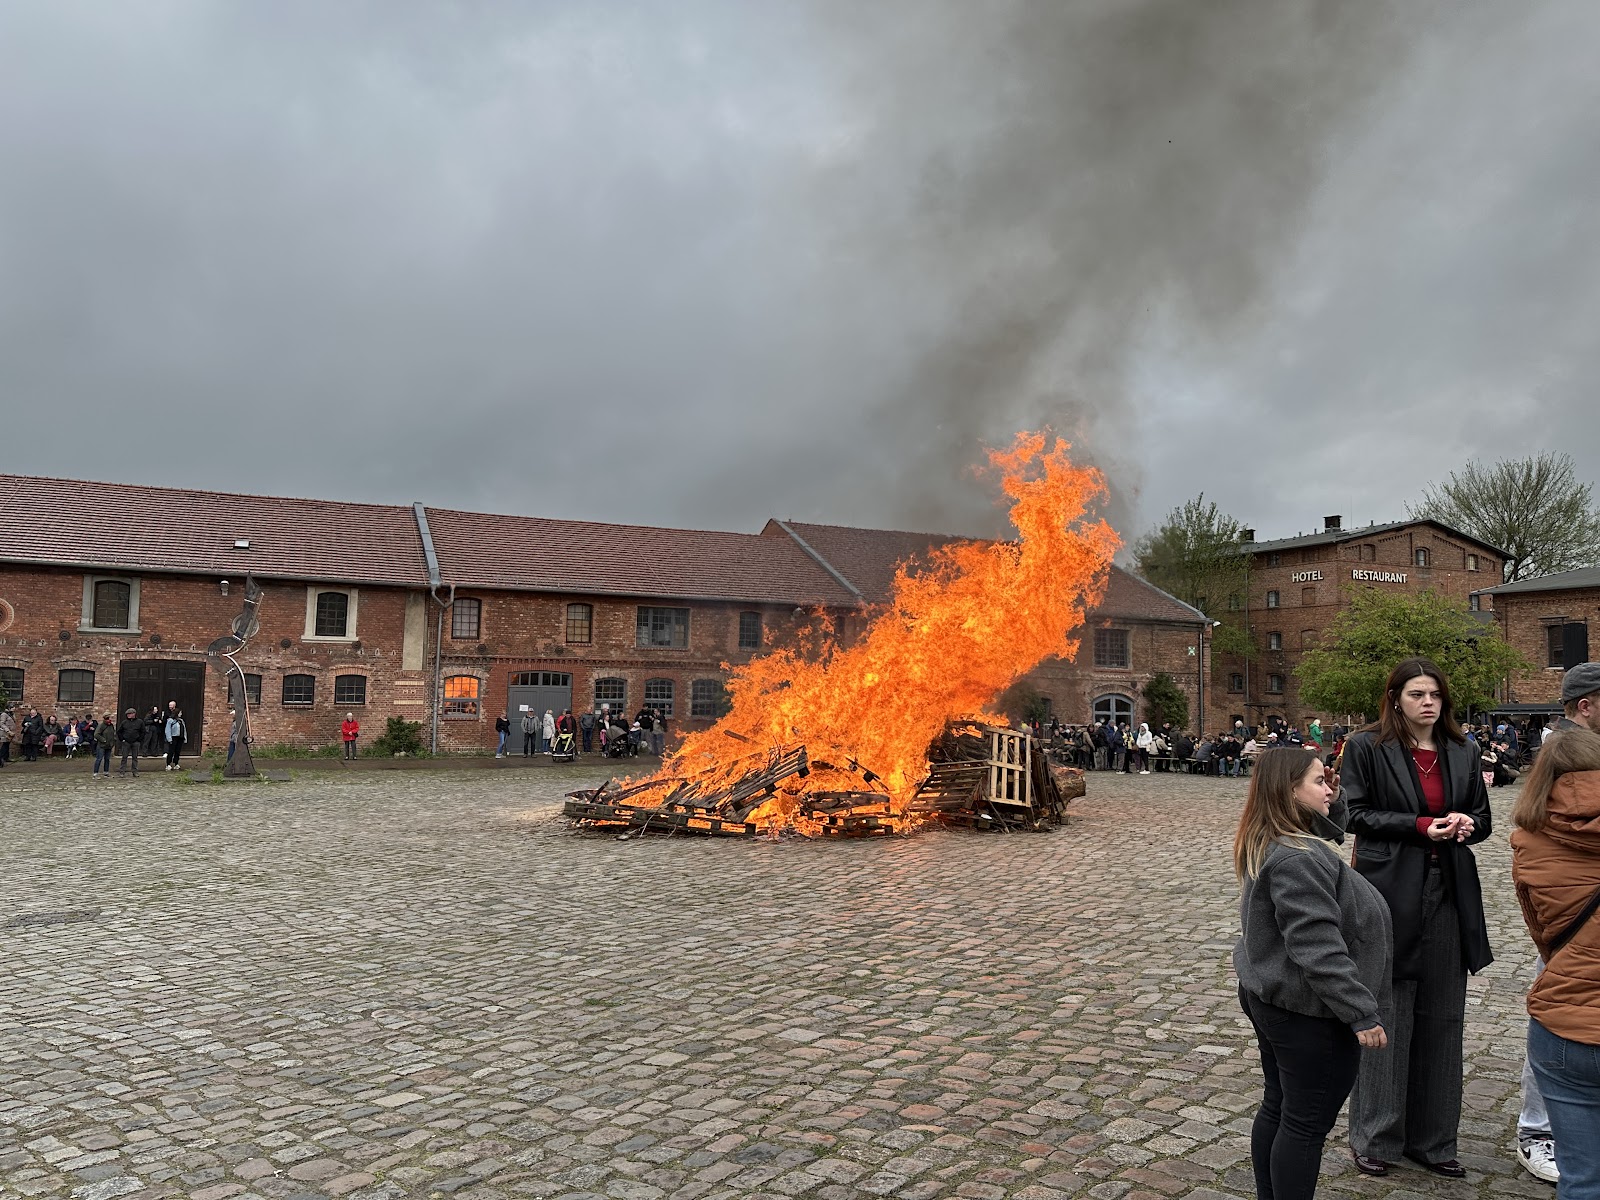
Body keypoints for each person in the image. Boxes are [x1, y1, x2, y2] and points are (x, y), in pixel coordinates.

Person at [1343, 657, 1493, 1180]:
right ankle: (1376, 1135)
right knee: (1389, 1011)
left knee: (1443, 1015)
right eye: (1416, 694)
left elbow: (1485, 820)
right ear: (1395, 698)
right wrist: (1419, 825)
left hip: (1450, 890)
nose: (1428, 703)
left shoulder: (1462, 750)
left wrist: (1465, 823)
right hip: (1389, 890)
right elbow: (1353, 815)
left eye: (1434, 695)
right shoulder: (1367, 747)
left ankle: (1433, 1140)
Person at [1234, 747, 1391, 1200]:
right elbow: (1316, 945)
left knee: (1281, 1107)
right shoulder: (1295, 858)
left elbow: (1332, 832)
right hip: (1307, 1010)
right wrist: (1361, 1011)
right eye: (1320, 781)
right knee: (1304, 1124)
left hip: (1278, 996)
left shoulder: (1275, 837)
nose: (1330, 788)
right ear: (1289, 791)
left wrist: (1330, 800)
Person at [1509, 661, 1600, 1184]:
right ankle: (1537, 1130)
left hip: (1564, 978)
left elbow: (1535, 919)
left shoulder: (1529, 832)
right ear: (1584, 706)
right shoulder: (1560, 756)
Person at [116, 708, 145, 775]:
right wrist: (122, 739)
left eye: (129, 714)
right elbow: (119, 732)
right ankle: (122, 771)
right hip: (126, 742)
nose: (128, 715)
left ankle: (134, 771)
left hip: (136, 742)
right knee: (124, 757)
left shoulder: (140, 722)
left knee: (135, 757)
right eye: (127, 714)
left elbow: (143, 732)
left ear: (134, 714)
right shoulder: (124, 722)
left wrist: (139, 739)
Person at [92, 712, 115, 778]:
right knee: (99, 759)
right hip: (101, 746)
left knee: (107, 759)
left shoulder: (111, 725)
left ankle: (106, 772)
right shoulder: (101, 725)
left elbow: (113, 734)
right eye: (108, 718)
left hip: (109, 745)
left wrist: (113, 741)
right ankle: (95, 773)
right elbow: (96, 734)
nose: (110, 720)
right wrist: (103, 740)